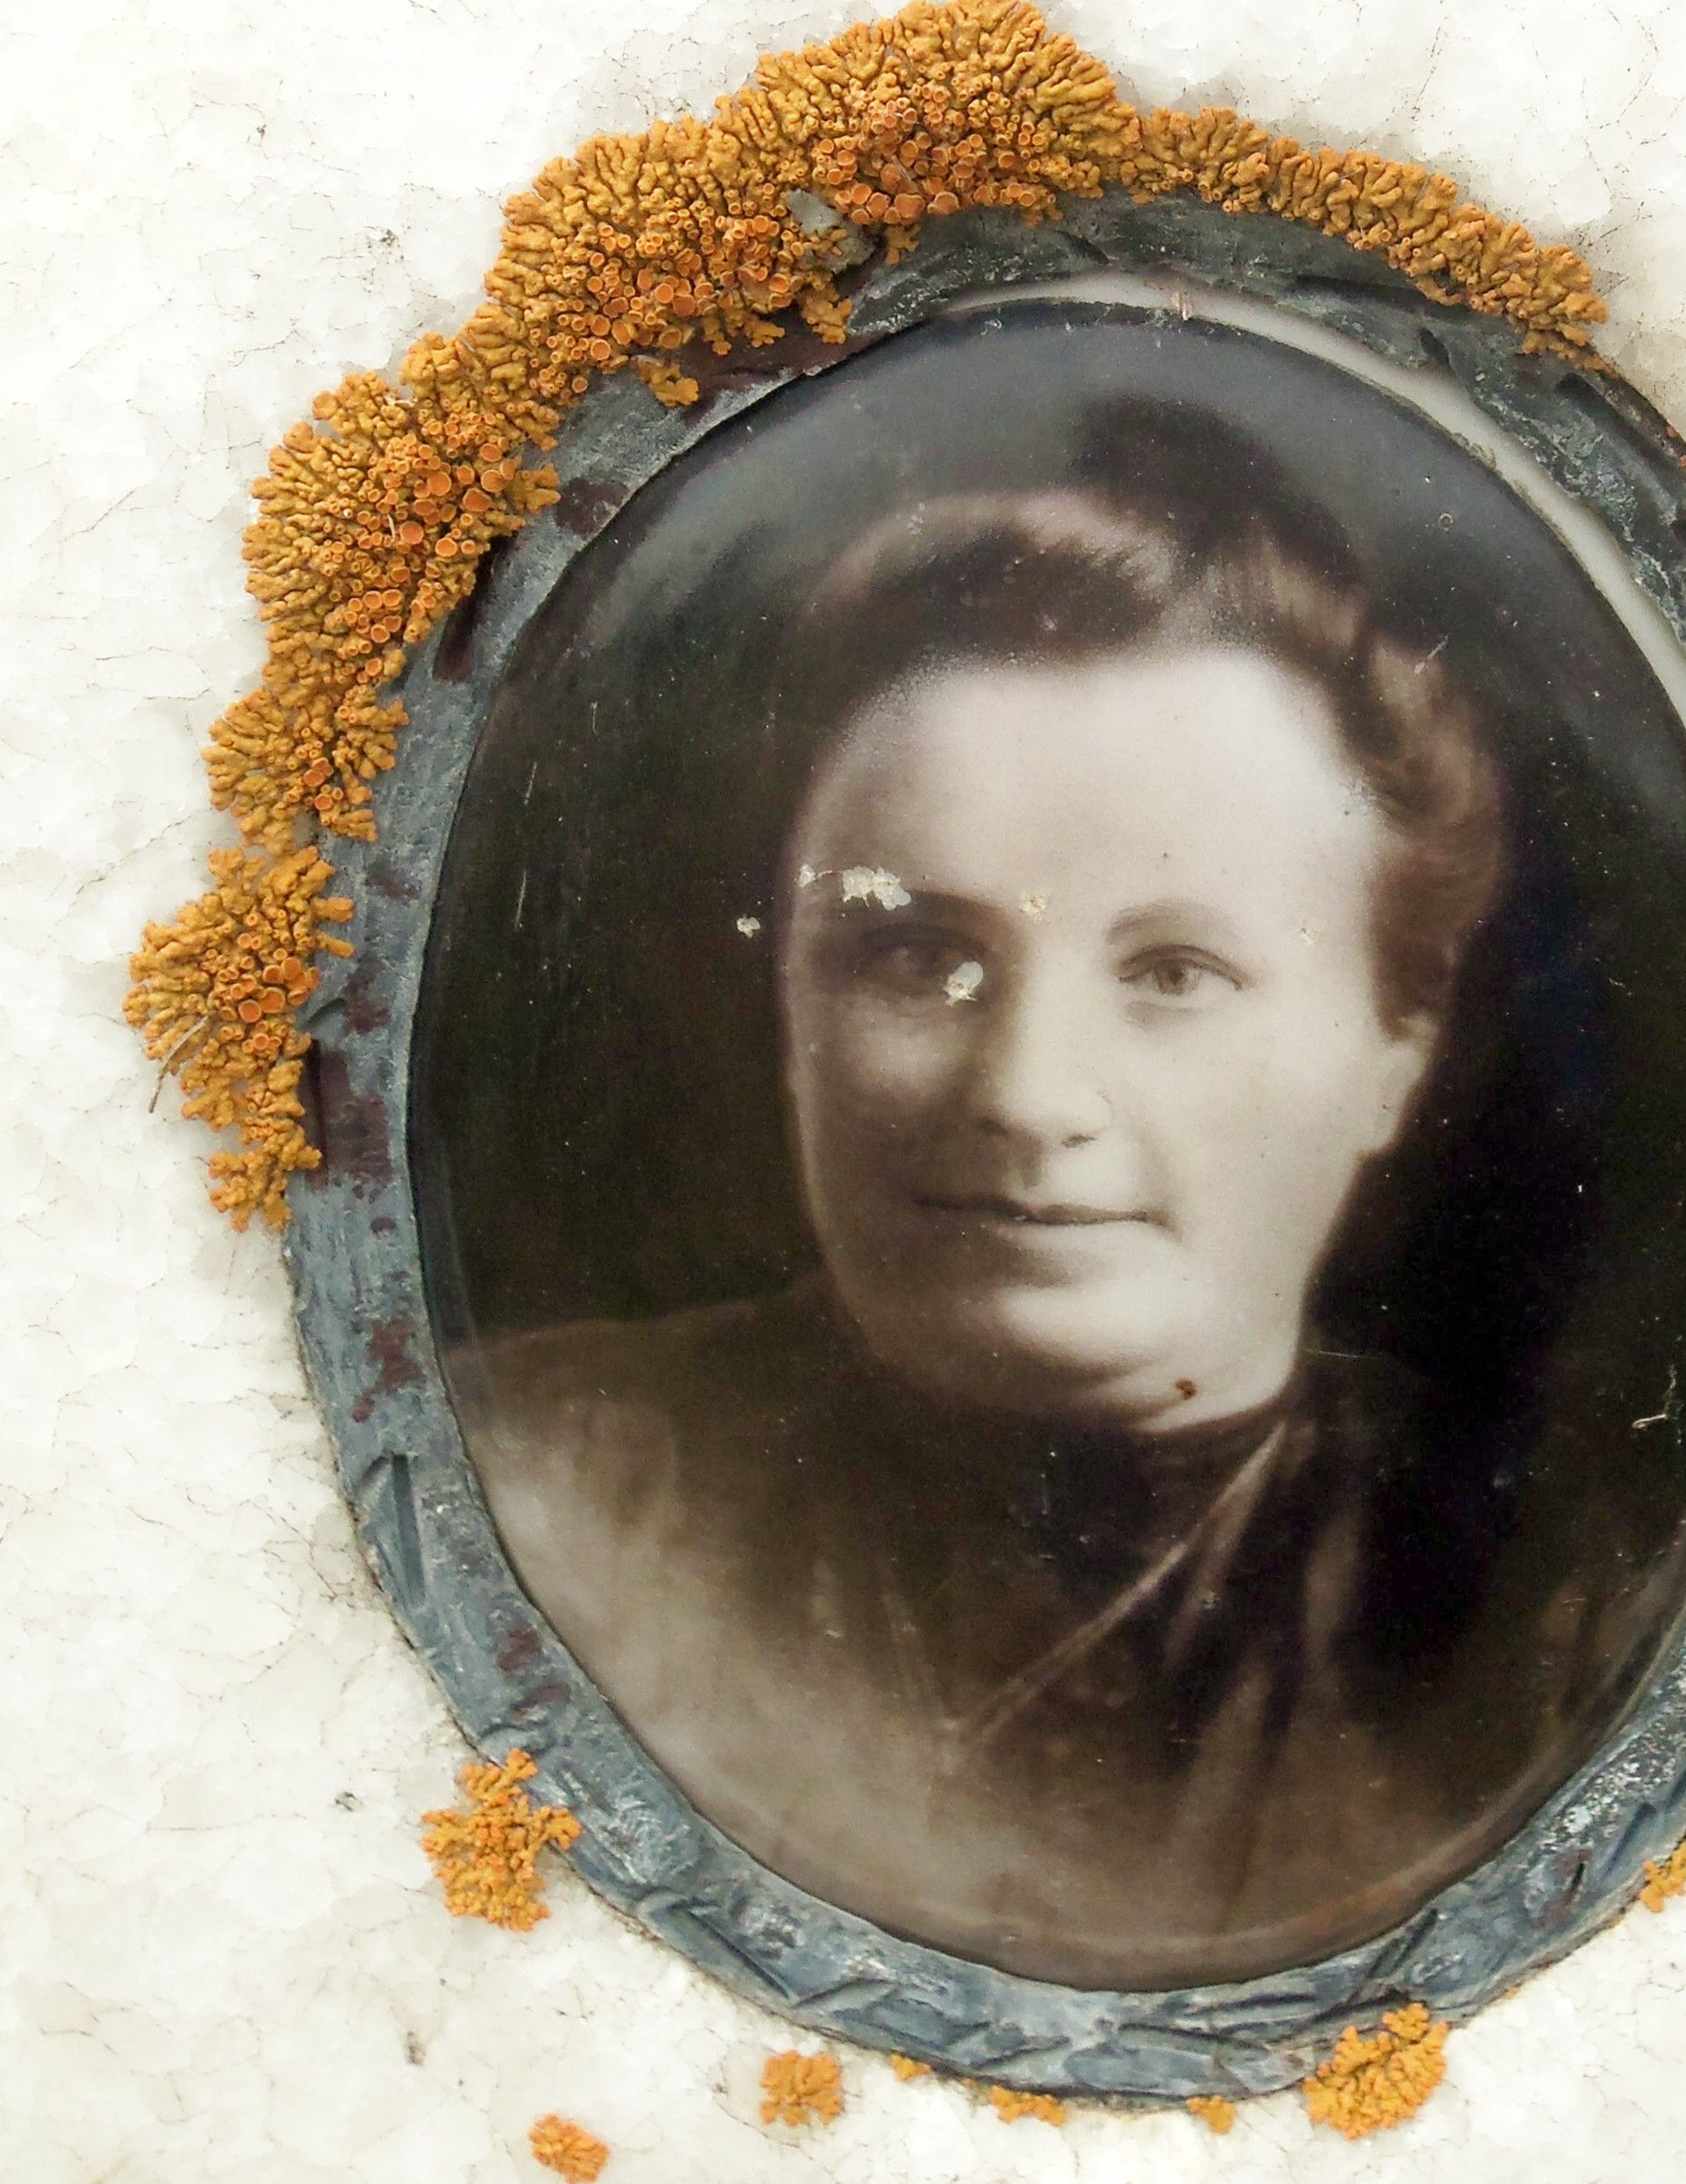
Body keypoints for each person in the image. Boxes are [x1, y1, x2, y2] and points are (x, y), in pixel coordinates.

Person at [454, 405, 1513, 1987]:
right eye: (916, 954)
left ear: (1394, 1051)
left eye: (1174, 970)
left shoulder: (1550, 1593)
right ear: (792, 998)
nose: (1024, 1093)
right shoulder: (534, 1483)